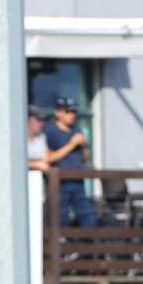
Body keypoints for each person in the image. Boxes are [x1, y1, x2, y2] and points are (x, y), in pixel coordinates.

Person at [43, 97, 93, 227]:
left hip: (78, 181)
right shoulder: (50, 130)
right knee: (60, 218)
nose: (71, 115)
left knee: (87, 217)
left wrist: (83, 146)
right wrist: (71, 144)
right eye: (67, 111)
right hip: (59, 182)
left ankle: (90, 244)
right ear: (58, 112)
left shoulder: (77, 131)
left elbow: (84, 158)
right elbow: (48, 158)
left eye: (74, 112)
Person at [26, 105, 49, 172]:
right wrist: (36, 164)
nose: (41, 123)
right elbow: (15, 161)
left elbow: (46, 160)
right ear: (28, 119)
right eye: (38, 120)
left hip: (37, 179)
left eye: (42, 120)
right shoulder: (17, 137)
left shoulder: (41, 137)